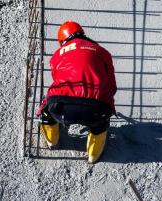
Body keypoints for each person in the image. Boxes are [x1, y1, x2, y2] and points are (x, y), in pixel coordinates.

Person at [37, 21, 117, 164]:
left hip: (61, 105)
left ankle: (52, 142)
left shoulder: (56, 55)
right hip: (96, 109)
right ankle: (93, 155)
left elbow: (57, 79)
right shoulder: (103, 52)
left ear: (62, 41)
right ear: (82, 33)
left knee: (47, 113)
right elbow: (112, 86)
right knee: (100, 123)